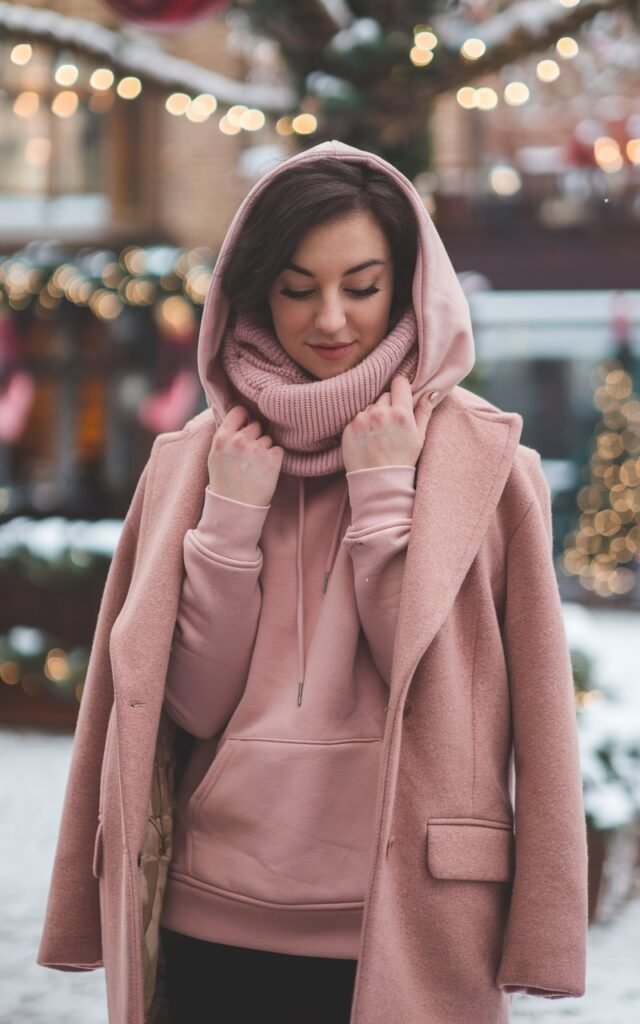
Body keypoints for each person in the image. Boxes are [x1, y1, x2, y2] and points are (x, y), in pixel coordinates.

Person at [37, 141, 588, 1024]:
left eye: (361, 286)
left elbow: (530, 718)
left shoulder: (487, 465)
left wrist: (381, 497)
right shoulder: (191, 465)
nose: (330, 318)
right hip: (208, 917)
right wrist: (230, 519)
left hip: (411, 921)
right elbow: (191, 704)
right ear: (253, 293)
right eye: (297, 289)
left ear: (408, 286)